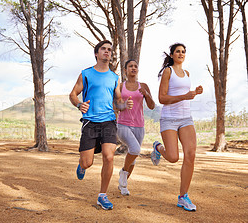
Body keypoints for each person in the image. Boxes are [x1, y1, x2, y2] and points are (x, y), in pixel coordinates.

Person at [69, 40, 133, 210]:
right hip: (90, 122)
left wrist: (123, 106)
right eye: (103, 49)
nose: (107, 52)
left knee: (109, 156)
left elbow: (118, 101)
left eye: (109, 50)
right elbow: (73, 94)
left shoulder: (114, 77)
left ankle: (102, 196)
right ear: (96, 53)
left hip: (109, 121)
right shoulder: (86, 74)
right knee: (87, 162)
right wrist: (78, 104)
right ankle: (82, 165)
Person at [151, 43, 203, 211]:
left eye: (183, 52)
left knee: (191, 154)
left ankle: (183, 196)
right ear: (172, 55)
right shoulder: (168, 72)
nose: (181, 54)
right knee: (173, 157)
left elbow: (186, 95)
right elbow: (162, 98)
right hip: (169, 119)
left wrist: (195, 92)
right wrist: (184, 96)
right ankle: (158, 147)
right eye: (178, 51)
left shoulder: (186, 73)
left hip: (186, 118)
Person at [117, 59, 155, 195]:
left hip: (139, 126)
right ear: (125, 70)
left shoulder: (143, 86)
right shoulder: (121, 86)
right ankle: (123, 174)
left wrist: (146, 94)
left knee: (133, 157)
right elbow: (116, 105)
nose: (133, 68)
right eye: (130, 66)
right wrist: (124, 105)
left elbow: (152, 106)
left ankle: (123, 185)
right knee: (135, 149)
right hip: (122, 125)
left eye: (135, 66)